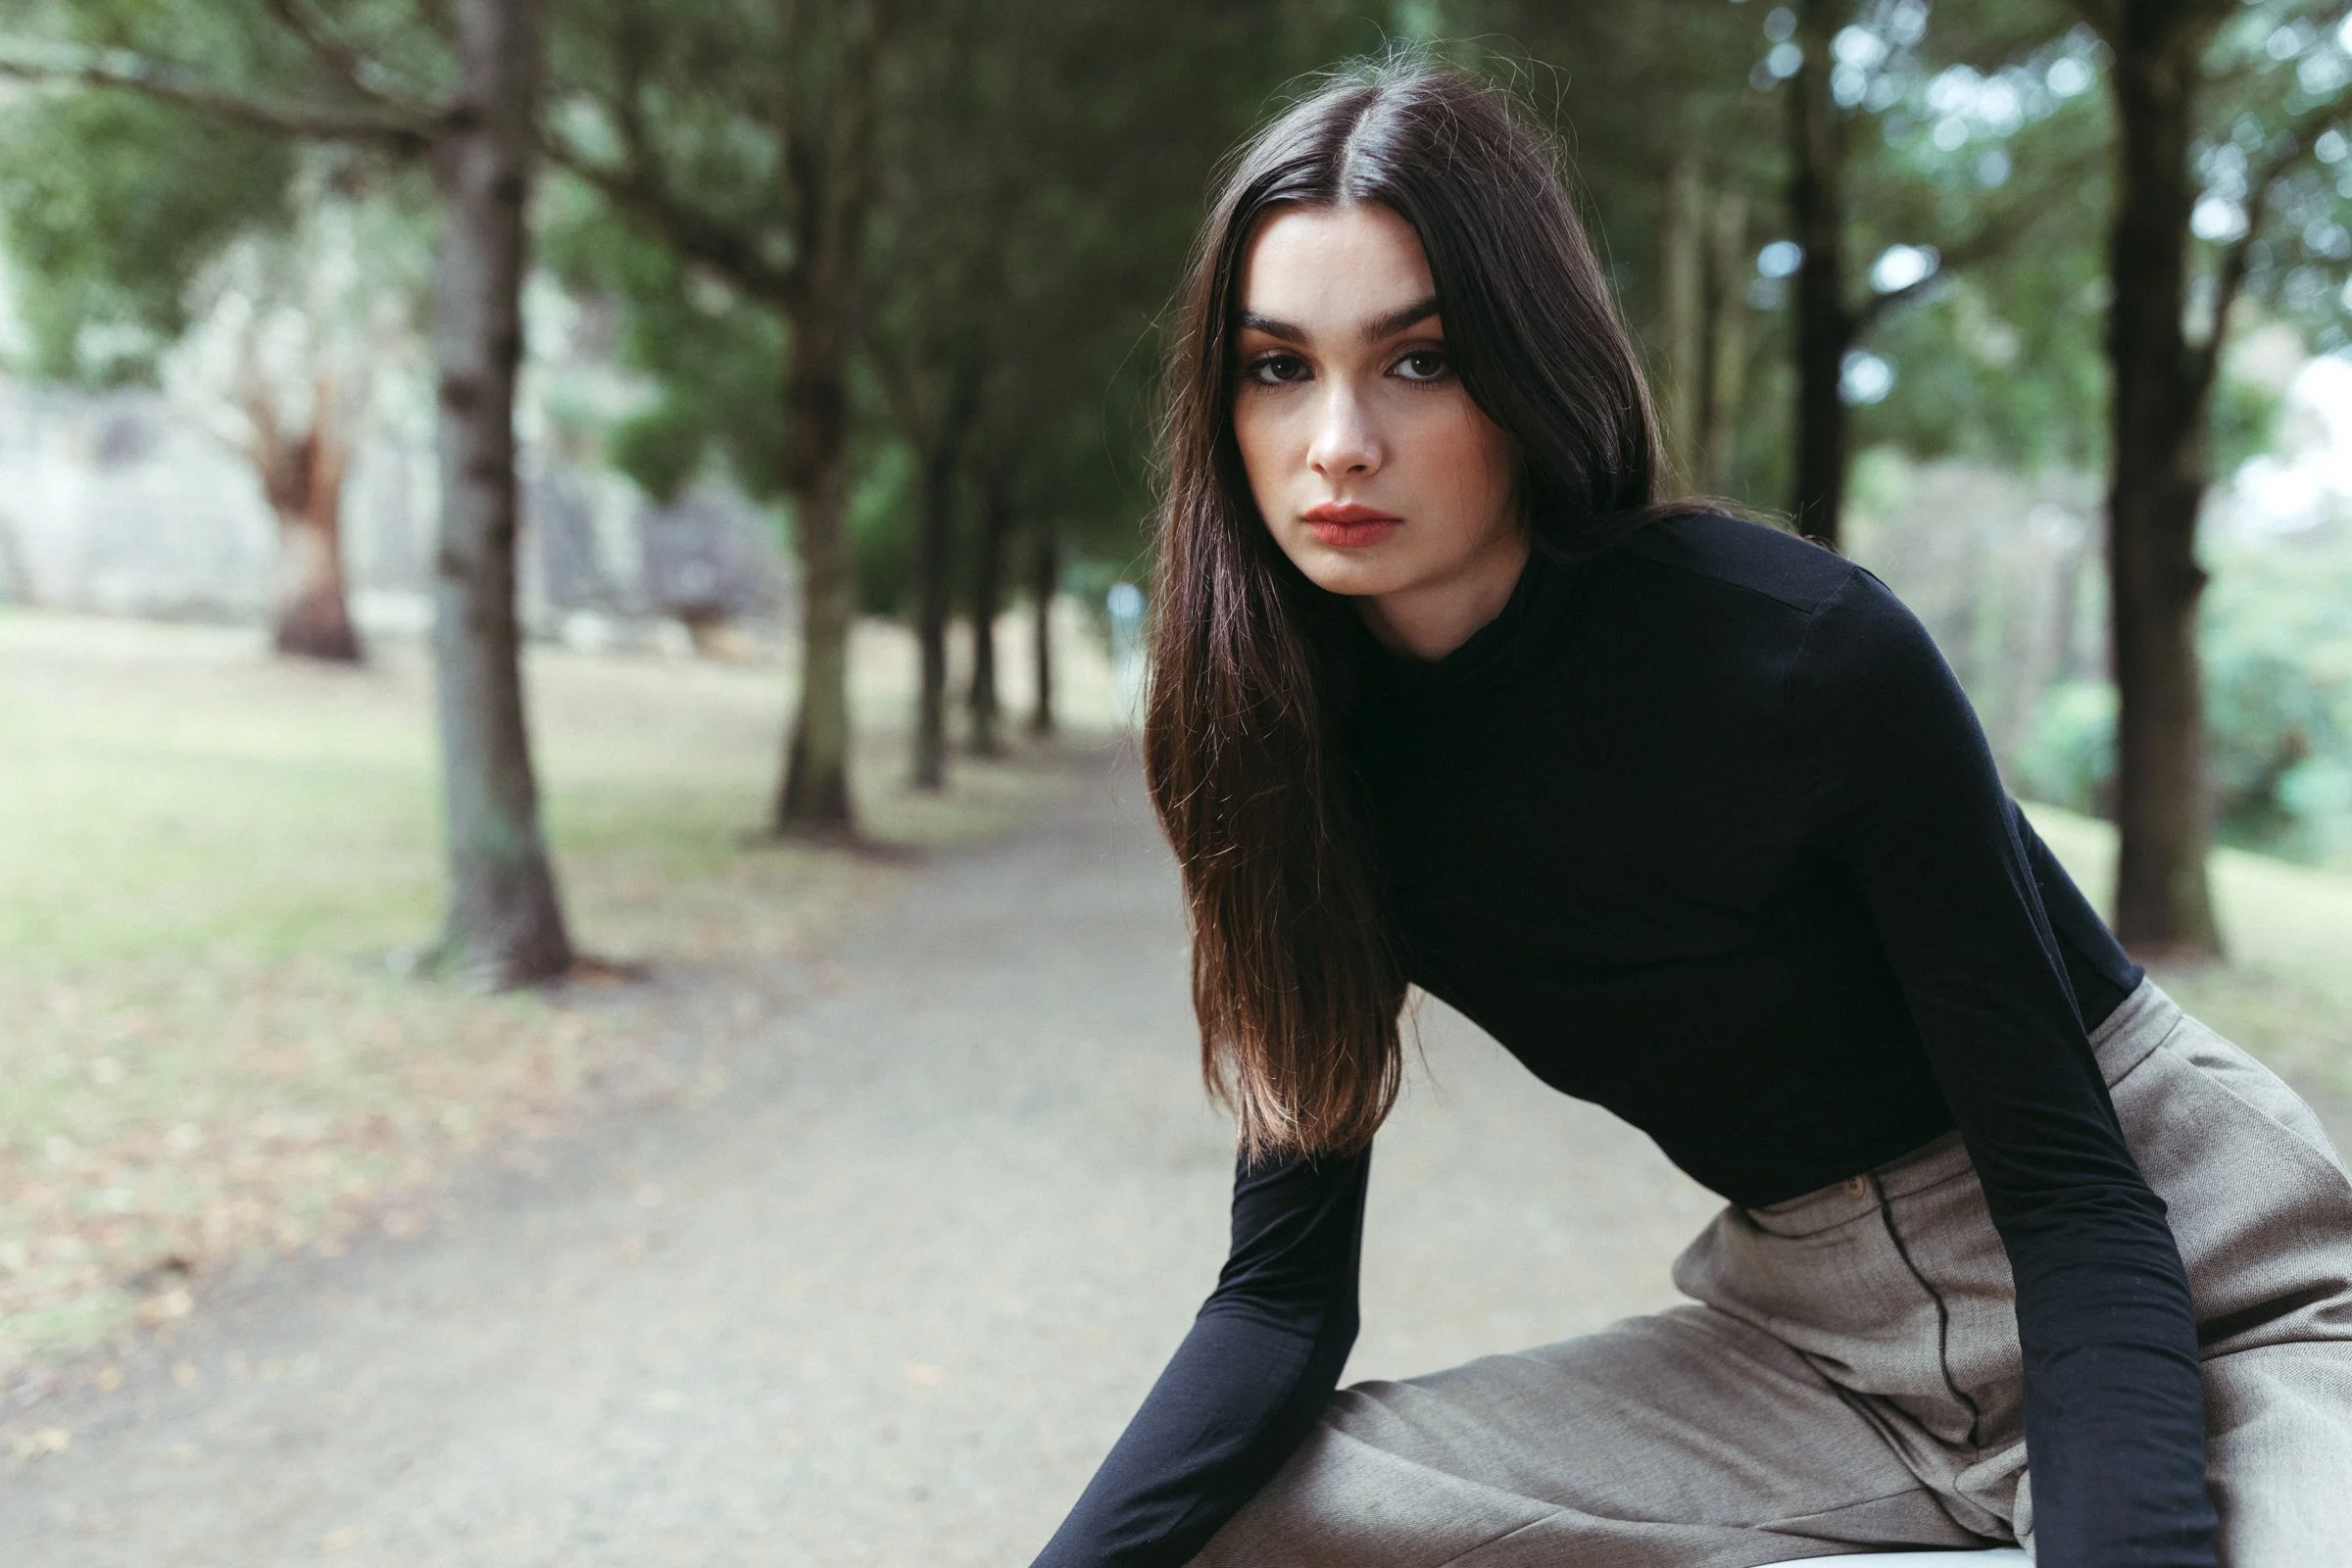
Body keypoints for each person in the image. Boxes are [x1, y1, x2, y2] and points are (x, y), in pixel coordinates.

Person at [1030, 55, 2352, 1568]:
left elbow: (2075, 1203)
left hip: (2194, 1290)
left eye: (1420, 359)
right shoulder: (1281, 755)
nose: (1338, 442)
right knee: (1253, 1524)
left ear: (1527, 370)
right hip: (1819, 1358)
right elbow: (1279, 1299)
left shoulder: (1801, 653)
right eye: (1278, 367)